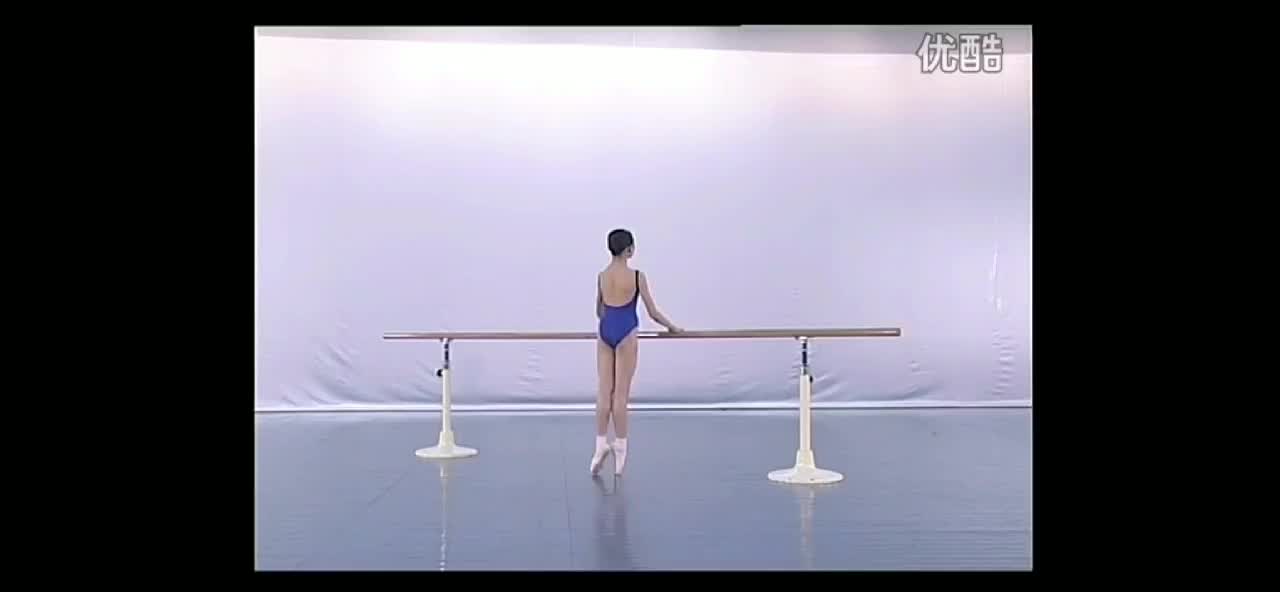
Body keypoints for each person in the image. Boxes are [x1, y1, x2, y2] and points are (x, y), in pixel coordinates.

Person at [591, 229, 682, 475]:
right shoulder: (637, 276)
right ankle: (620, 450)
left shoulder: (602, 276)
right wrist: (672, 327)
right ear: (629, 250)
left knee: (604, 393)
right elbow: (652, 312)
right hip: (626, 332)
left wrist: (610, 319)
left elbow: (599, 310)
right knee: (620, 396)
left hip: (605, 331)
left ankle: (600, 445)